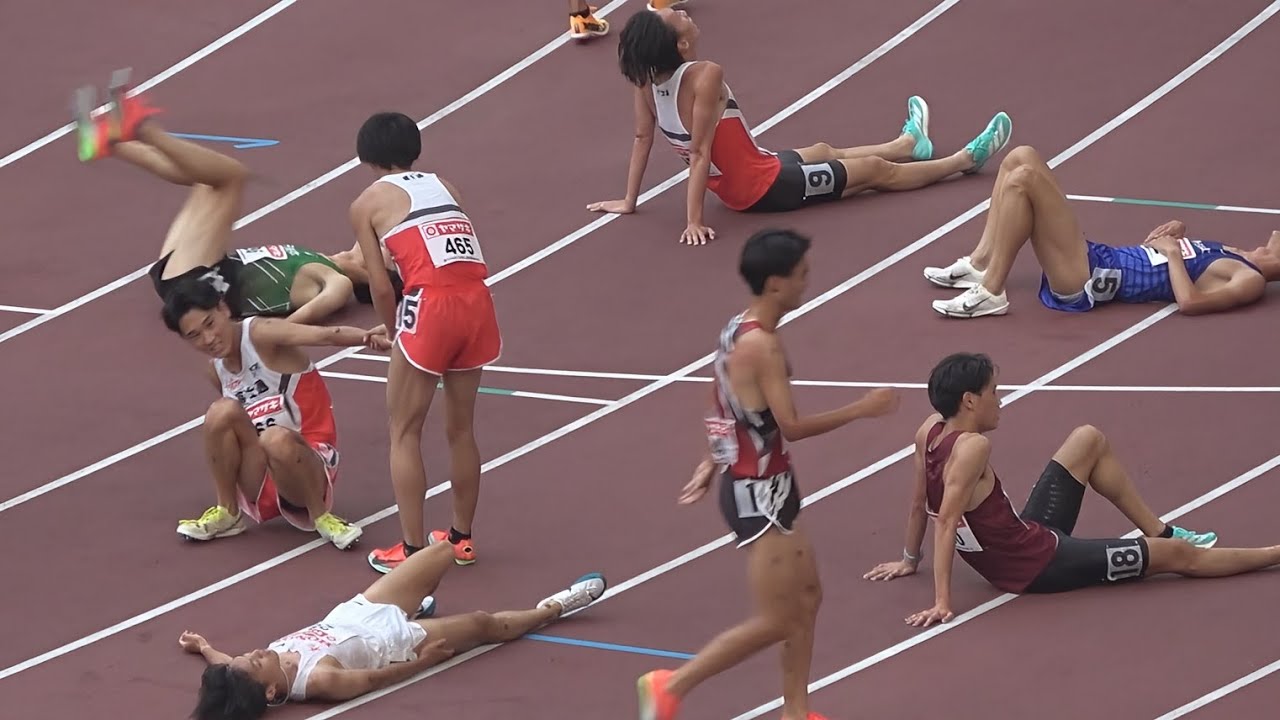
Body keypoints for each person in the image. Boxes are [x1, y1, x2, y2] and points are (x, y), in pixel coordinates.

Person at [636, 228, 900, 720]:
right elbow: (793, 427)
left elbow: (721, 398)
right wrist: (863, 409)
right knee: (778, 619)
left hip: (768, 485)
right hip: (759, 494)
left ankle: (795, 712)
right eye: (802, 275)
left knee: (807, 596)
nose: (808, 283)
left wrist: (711, 460)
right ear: (776, 283)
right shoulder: (764, 348)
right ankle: (671, 684)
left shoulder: (736, 328)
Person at [863, 352, 1280, 628]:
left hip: (1026, 536)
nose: (1001, 400)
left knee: (1087, 439)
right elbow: (947, 519)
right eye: (994, 392)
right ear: (971, 401)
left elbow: (921, 502)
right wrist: (942, 601)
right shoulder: (973, 446)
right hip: (1037, 566)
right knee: (1178, 560)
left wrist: (908, 559)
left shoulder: (929, 430)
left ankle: (1160, 530)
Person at [588, 9, 1013, 245]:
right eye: (676, 18)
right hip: (764, 187)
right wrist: (693, 220)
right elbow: (699, 153)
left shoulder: (646, 81)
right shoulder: (705, 75)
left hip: (750, 171)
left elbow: (643, 137)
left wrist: (629, 200)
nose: (681, 10)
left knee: (825, 150)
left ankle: (908, 144)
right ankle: (964, 160)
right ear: (681, 45)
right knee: (874, 176)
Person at [72, 71, 402, 325]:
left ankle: (142, 130)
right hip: (198, 272)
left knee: (233, 178)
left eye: (388, 255)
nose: (383, 245)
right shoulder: (323, 259)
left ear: (377, 277)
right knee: (208, 182)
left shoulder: (336, 281)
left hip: (205, 285)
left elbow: (308, 315)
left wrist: (263, 339)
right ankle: (111, 143)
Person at [180, 539, 608, 719]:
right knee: (484, 624)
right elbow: (372, 679)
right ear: (272, 693)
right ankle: (555, 606)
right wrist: (421, 661)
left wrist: (205, 648)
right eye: (252, 664)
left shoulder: (251, 673)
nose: (252, 653)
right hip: (396, 642)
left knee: (442, 551)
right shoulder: (320, 678)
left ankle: (418, 605)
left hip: (363, 609)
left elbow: (227, 664)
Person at [348, 111, 503, 575]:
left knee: (404, 430)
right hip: (477, 302)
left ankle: (413, 553)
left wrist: (392, 328)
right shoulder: (447, 186)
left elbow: (379, 285)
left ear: (366, 157)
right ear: (415, 150)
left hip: (430, 308)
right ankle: (461, 538)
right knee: (461, 429)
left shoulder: (366, 203)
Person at [925, 145, 1280, 318]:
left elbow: (1191, 302)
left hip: (1089, 280)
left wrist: (1172, 253)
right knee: (1022, 156)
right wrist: (1179, 232)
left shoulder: (1250, 279)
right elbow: (1189, 260)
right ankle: (981, 263)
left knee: (1024, 181)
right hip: (1102, 256)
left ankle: (992, 292)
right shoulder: (1238, 253)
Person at [162, 278, 387, 549]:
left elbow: (322, 335)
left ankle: (322, 518)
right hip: (261, 471)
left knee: (275, 439)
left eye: (210, 324)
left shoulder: (260, 333)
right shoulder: (216, 369)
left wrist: (367, 337)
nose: (208, 339)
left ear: (223, 309)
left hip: (307, 462)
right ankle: (228, 513)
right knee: (221, 412)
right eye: (194, 336)